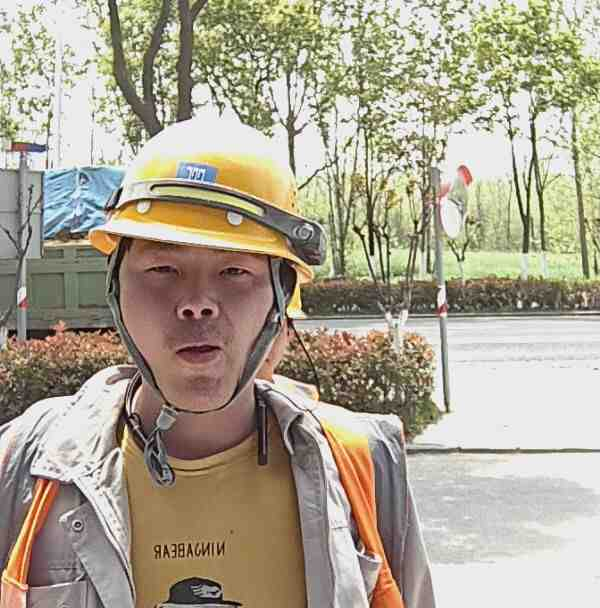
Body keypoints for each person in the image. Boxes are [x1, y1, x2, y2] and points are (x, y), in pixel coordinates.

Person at [0, 117, 436, 608]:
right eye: (163, 268)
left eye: (234, 271)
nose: (197, 304)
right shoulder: (26, 464)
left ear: (280, 297)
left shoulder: (363, 463)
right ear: (116, 287)